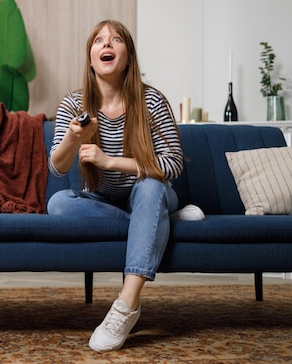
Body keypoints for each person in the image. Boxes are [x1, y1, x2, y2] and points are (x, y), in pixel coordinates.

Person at [47, 20, 185, 352]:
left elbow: (173, 164)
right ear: (91, 56)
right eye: (99, 40)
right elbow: (57, 167)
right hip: (103, 201)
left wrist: (109, 161)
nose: (106, 44)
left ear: (128, 55)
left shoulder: (151, 101)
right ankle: (156, 224)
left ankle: (126, 304)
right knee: (59, 204)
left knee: (151, 189)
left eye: (116, 39)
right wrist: (72, 136)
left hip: (147, 193)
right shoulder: (73, 105)